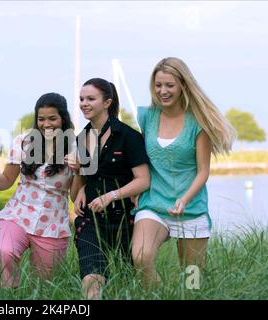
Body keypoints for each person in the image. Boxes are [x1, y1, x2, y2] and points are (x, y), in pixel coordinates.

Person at [131, 57, 235, 289]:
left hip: (191, 208)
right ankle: (159, 295)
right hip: (154, 204)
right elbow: (140, 158)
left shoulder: (198, 123)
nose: (163, 91)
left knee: (192, 282)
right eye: (158, 85)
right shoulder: (146, 116)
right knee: (140, 256)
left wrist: (184, 199)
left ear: (183, 86)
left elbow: (203, 172)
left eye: (169, 85)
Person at [0, 92, 81, 288]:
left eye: (52, 118)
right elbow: (7, 179)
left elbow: (75, 196)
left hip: (52, 225)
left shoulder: (77, 148)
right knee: (5, 252)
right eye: (41, 119)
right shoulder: (23, 141)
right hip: (18, 215)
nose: (46, 124)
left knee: (43, 287)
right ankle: (10, 293)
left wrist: (79, 171)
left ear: (63, 118)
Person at [71, 78, 150, 299]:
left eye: (90, 99)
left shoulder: (128, 136)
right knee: (91, 280)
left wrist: (111, 196)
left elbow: (143, 180)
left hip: (125, 221)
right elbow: (77, 191)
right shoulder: (80, 138)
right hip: (91, 222)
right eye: (81, 99)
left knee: (126, 284)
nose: (84, 103)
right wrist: (79, 178)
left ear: (107, 102)